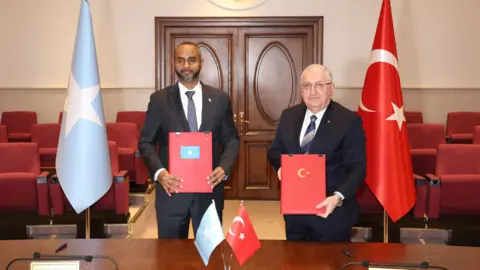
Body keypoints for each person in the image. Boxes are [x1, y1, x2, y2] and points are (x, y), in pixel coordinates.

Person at [138, 41, 239, 239]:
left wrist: (224, 167)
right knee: (170, 259)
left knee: (209, 257)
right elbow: (145, 142)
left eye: (191, 60)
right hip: (172, 192)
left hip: (209, 192)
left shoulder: (219, 99)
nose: (186, 66)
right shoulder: (159, 100)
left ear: (201, 62)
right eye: (181, 61)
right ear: (173, 64)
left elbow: (232, 140)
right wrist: (160, 173)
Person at [267, 64, 366, 242]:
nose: (312, 92)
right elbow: (275, 150)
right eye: (307, 86)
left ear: (331, 88)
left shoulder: (348, 121)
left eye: (319, 85)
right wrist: (281, 165)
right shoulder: (289, 115)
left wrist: (338, 197)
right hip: (294, 212)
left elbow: (358, 167)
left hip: (331, 214)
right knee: (294, 262)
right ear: (301, 90)